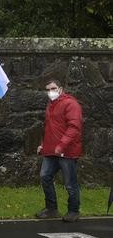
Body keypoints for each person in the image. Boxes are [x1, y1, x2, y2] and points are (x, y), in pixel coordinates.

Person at [35, 79, 83, 222]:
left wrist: (62, 145)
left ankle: (73, 211)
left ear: (61, 89)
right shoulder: (51, 105)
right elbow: (49, 128)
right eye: (48, 89)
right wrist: (43, 145)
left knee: (70, 183)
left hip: (67, 151)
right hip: (51, 150)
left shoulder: (71, 104)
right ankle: (51, 208)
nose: (50, 92)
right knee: (45, 176)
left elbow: (74, 127)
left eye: (53, 88)